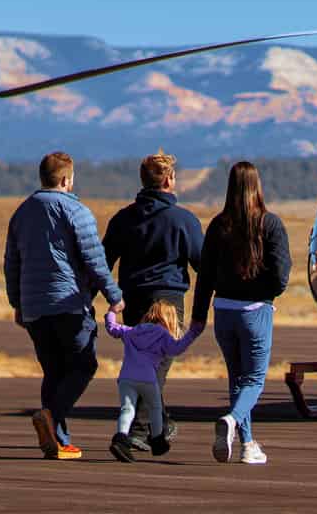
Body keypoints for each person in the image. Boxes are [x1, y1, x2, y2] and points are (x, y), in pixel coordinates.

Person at [4, 152, 125, 459]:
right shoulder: (76, 210)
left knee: (54, 371)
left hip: (34, 307)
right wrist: (114, 296)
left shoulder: (21, 212)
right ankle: (51, 417)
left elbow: (12, 264)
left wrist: (17, 303)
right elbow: (94, 260)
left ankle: (57, 442)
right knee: (84, 365)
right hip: (68, 303)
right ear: (66, 179)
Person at [102, 149, 203, 451]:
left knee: (143, 363)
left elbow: (103, 261)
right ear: (170, 180)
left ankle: (159, 422)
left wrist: (107, 298)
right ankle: (139, 429)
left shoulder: (123, 219)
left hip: (133, 300)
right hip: (169, 301)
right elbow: (203, 263)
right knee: (157, 366)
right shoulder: (183, 220)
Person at [191, 162, 291, 465]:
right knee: (255, 379)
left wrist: (197, 317)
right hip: (255, 311)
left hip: (223, 311)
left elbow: (204, 275)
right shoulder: (270, 224)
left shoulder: (219, 225)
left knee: (237, 378)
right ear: (257, 186)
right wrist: (265, 293)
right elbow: (281, 273)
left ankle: (247, 444)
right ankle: (233, 420)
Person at [105, 300, 203, 463]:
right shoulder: (163, 335)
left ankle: (121, 438)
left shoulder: (133, 331)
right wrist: (193, 333)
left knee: (127, 409)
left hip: (126, 378)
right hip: (148, 379)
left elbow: (112, 328)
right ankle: (157, 440)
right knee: (155, 408)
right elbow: (176, 348)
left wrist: (112, 312)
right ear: (169, 319)